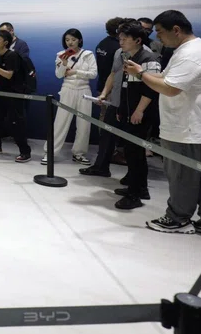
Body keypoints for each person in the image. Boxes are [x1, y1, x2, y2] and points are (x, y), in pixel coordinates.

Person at [123, 11, 201, 239]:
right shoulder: (188, 51)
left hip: (189, 127)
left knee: (182, 175)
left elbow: (170, 88)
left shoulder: (191, 54)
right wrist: (143, 73)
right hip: (196, 126)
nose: (157, 37)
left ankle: (178, 218)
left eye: (160, 32)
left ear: (176, 30)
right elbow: (165, 79)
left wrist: (140, 74)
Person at [96, 21, 161, 210]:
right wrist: (121, 110)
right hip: (128, 111)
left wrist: (139, 110)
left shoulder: (149, 59)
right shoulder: (128, 56)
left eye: (125, 38)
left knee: (135, 153)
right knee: (132, 152)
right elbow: (124, 86)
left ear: (138, 40)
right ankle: (138, 188)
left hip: (140, 113)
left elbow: (151, 89)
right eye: (120, 38)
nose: (121, 41)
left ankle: (135, 194)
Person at [45, 29, 97, 165]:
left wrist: (75, 72)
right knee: (60, 122)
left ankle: (79, 153)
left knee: (84, 124)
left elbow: (93, 74)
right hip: (67, 89)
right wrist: (63, 63)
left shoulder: (88, 54)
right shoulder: (60, 55)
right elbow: (59, 75)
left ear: (79, 40)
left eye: (73, 39)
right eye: (67, 40)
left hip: (84, 90)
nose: (70, 42)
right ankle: (50, 152)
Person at [0, 30, 32, 162]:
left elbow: (9, 75)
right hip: (3, 92)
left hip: (16, 93)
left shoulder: (12, 55)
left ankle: (25, 152)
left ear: (6, 42)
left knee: (16, 123)